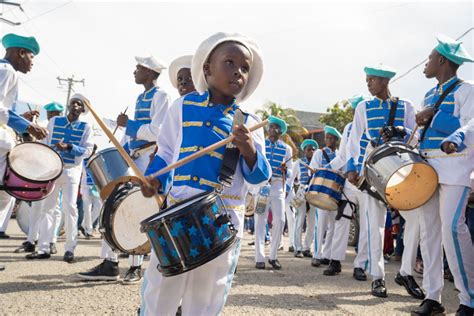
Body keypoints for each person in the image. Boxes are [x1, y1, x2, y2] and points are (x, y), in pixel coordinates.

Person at [138, 32, 270, 315]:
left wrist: (248, 149)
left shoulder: (248, 122)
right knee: (161, 287)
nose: (238, 71)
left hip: (221, 215)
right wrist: (154, 180)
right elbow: (164, 152)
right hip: (176, 210)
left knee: (206, 294)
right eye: (230, 63)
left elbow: (260, 178)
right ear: (207, 69)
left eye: (245, 68)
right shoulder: (182, 107)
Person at [79, 55, 171, 284]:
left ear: (150, 73)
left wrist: (129, 124)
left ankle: (136, 266)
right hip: (133, 156)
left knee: (138, 209)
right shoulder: (142, 97)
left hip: (149, 158)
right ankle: (109, 263)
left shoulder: (162, 96)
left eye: (138, 68)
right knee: (112, 206)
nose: (134, 72)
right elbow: (137, 132)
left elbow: (159, 131)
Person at [412, 34, 474, 316]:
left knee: (452, 230)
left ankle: (468, 299)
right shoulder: (429, 94)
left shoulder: (467, 90)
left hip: (455, 168)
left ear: (441, 60)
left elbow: (470, 125)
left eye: (428, 59)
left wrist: (433, 118)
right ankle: (433, 296)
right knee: (429, 234)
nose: (425, 64)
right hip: (427, 168)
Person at [346, 64, 416, 298]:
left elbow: (415, 136)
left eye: (372, 80)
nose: (368, 84)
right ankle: (378, 277)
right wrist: (352, 168)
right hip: (372, 162)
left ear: (385, 82)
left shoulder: (406, 105)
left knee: (415, 219)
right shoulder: (364, 107)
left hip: (400, 162)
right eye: (367, 80)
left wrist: (401, 130)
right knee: (374, 223)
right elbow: (354, 139)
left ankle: (405, 271)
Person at [26, 94, 93, 263]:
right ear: (68, 106)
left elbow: (87, 151)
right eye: (73, 103)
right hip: (53, 170)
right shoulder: (54, 122)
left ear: (83, 109)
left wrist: (70, 147)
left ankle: (70, 248)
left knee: (70, 208)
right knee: (48, 207)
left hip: (72, 171)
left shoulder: (86, 127)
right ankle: (43, 248)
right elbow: (46, 144)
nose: (75, 106)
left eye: (79, 104)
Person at [0, 34, 48, 271]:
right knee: (3, 196)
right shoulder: (6, 71)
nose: (32, 62)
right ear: (20, 53)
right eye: (31, 57)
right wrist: (28, 126)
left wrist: (21, 120)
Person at [322, 95, 370, 278]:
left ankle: (360, 265)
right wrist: (325, 168)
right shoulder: (349, 128)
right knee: (342, 221)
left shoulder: (375, 128)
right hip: (349, 185)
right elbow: (342, 157)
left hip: (368, 184)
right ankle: (335, 261)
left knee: (366, 224)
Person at [14, 101, 64, 254]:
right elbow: (31, 145)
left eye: (56, 113)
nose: (53, 115)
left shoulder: (61, 128)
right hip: (40, 171)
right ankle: (31, 240)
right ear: (48, 114)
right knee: (36, 207)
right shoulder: (40, 126)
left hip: (56, 170)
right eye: (51, 113)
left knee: (54, 208)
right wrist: (28, 125)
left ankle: (51, 240)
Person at [254, 115, 293, 270]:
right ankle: (259, 257)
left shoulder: (287, 149)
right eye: (271, 127)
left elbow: (290, 172)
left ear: (280, 132)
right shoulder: (261, 144)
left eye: (276, 128)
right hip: (263, 187)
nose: (273, 130)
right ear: (267, 129)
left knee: (280, 220)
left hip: (277, 187)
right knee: (260, 221)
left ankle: (273, 256)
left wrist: (285, 170)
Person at [309, 125, 340, 267]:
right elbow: (313, 170)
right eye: (327, 138)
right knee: (320, 224)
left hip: (335, 194)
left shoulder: (340, 154)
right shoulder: (319, 153)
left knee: (332, 226)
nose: (328, 140)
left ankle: (327, 255)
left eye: (331, 138)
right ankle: (316, 254)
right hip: (322, 191)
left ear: (336, 140)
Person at [293, 139, 317, 258]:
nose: (311, 151)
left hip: (313, 193)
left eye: (313, 149)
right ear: (304, 151)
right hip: (301, 192)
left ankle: (307, 247)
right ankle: (297, 248)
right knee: (299, 221)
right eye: (309, 149)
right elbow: (292, 178)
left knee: (312, 222)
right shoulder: (299, 163)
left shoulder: (317, 163)